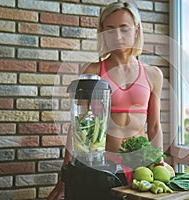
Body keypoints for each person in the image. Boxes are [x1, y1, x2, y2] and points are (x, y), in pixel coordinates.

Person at [47, 1, 163, 199]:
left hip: (140, 168)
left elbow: (154, 127)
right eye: (109, 30)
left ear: (136, 31)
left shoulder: (153, 74)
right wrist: (65, 175)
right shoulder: (92, 71)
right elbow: (78, 127)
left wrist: (159, 165)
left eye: (124, 29)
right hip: (101, 168)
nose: (117, 36)